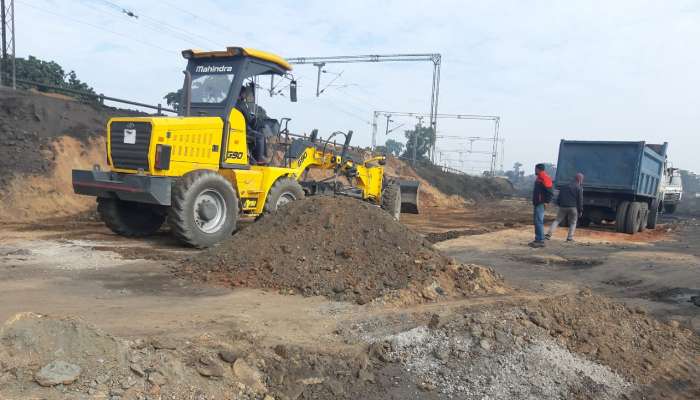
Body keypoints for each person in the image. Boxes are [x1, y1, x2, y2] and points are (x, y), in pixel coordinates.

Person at [546, 173, 584, 242]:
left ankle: (548, 235)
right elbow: (580, 200)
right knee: (573, 222)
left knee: (557, 220)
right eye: (582, 179)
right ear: (580, 180)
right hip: (573, 208)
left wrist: (559, 204)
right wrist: (580, 210)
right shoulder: (579, 188)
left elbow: (559, 197)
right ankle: (569, 238)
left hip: (563, 207)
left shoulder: (564, 186)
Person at [529, 163, 553, 248]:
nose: (534, 170)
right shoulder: (539, 178)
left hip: (540, 203)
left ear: (539, 169)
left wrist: (546, 202)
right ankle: (538, 239)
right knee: (537, 221)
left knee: (539, 221)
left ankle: (540, 241)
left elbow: (550, 192)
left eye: (535, 169)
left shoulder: (544, 178)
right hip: (537, 203)